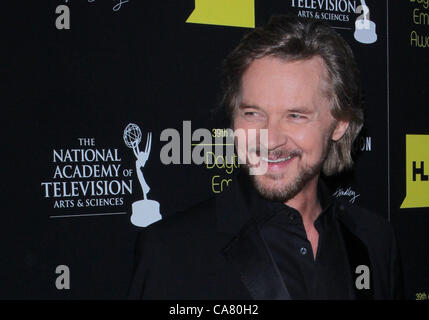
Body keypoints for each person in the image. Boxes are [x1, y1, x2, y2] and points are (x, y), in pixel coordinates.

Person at [128, 15, 403, 300]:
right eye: (253, 114)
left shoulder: (375, 242)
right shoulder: (170, 252)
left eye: (296, 116)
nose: (270, 140)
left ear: (340, 124)